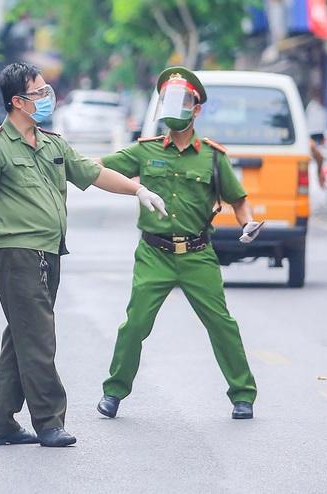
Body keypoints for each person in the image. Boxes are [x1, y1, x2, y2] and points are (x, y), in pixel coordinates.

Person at [0, 62, 167, 447]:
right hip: (16, 254)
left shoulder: (52, 143)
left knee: (23, 337)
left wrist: (137, 191)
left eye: (46, 90)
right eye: (38, 93)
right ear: (17, 102)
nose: (47, 98)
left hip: (48, 253)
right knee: (39, 339)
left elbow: (92, 174)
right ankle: (49, 420)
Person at [95, 66, 261, 421]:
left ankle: (243, 394)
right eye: (168, 100)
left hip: (198, 254)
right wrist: (57, 160)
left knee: (220, 323)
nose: (174, 108)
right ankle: (114, 392)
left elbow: (238, 200)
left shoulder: (212, 157)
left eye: (182, 101)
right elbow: (96, 167)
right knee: (135, 323)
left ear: (196, 109)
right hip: (154, 253)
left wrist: (247, 224)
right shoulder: (144, 152)